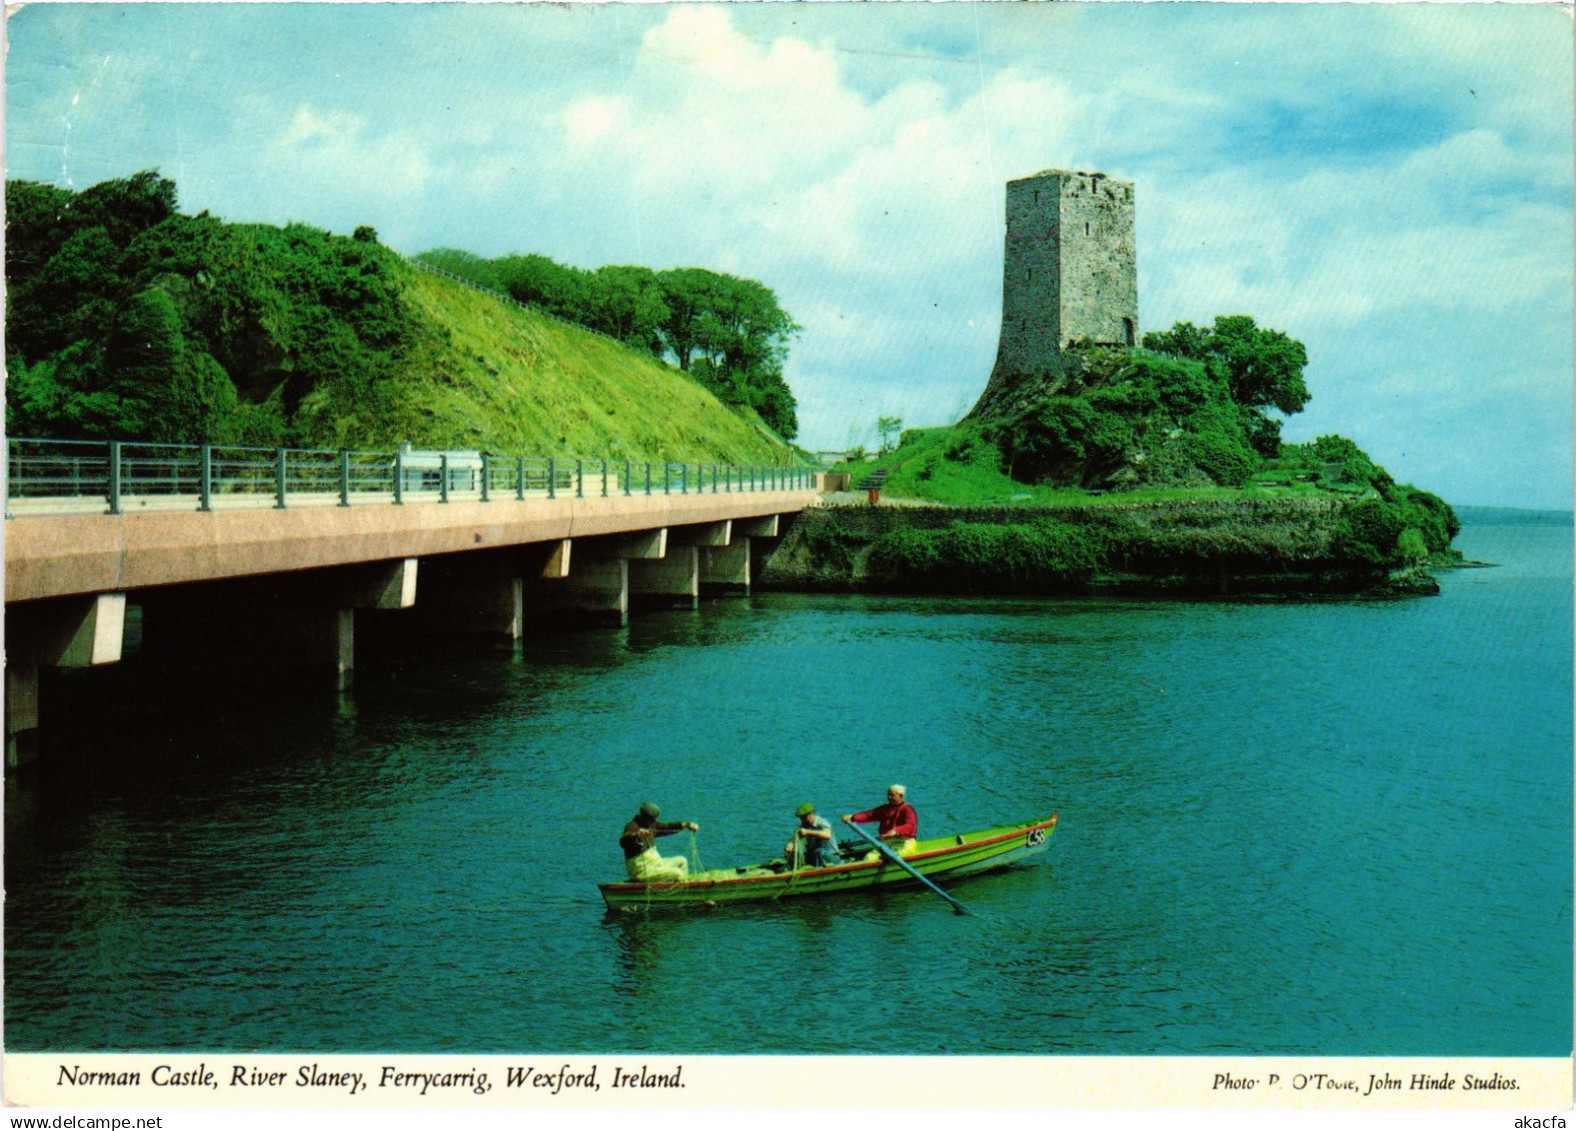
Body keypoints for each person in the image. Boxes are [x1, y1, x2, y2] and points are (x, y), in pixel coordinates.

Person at [620, 801, 698, 882]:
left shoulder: (651, 825)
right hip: (642, 871)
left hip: (656, 864)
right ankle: (680, 889)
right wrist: (636, 834)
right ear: (643, 816)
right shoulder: (632, 826)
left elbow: (667, 827)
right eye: (651, 819)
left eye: (654, 819)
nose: (653, 821)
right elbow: (623, 842)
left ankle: (681, 886)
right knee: (677, 873)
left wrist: (686, 825)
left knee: (682, 861)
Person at [842, 784, 918, 857]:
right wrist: (852, 817)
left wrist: (896, 831)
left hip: (905, 841)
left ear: (901, 796)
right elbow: (869, 815)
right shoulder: (884, 809)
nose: (889, 797)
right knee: (870, 857)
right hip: (888, 842)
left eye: (892, 795)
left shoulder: (908, 809)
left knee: (900, 855)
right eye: (888, 795)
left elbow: (910, 826)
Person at [784, 802, 840, 870]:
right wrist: (790, 845)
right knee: (794, 855)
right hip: (814, 857)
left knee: (819, 852)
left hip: (831, 857)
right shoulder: (804, 825)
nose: (803, 821)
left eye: (804, 818)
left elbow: (827, 835)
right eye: (801, 819)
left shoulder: (822, 822)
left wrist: (808, 832)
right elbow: (794, 838)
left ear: (811, 815)